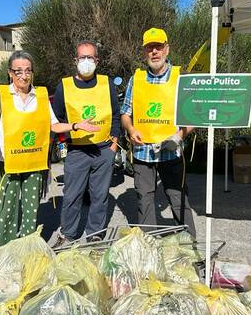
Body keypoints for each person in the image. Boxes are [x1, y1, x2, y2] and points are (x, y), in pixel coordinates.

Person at [0, 50, 99, 251]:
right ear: (10, 73)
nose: (23, 76)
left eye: (27, 71)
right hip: (6, 164)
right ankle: (2, 256)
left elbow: (53, 125)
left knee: (30, 213)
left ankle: (27, 254)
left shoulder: (40, 96)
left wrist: (75, 125)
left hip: (34, 164)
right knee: (4, 212)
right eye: (18, 71)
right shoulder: (0, 94)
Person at [120, 27, 197, 235]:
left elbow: (193, 116)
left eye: (158, 47)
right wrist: (131, 128)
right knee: (144, 199)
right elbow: (125, 113)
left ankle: (189, 245)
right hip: (142, 152)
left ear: (167, 49)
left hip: (171, 151)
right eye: (149, 48)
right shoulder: (136, 79)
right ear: (144, 52)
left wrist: (178, 137)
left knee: (177, 198)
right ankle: (149, 245)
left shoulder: (181, 78)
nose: (154, 52)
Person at [51, 40, 121, 245]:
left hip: (103, 150)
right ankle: (68, 234)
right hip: (76, 151)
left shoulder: (106, 83)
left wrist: (114, 145)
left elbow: (116, 115)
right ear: (75, 60)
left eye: (90, 57)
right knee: (72, 195)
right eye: (82, 57)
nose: (86, 61)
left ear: (97, 60)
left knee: (100, 196)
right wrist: (68, 137)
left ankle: (95, 234)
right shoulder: (64, 86)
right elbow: (56, 120)